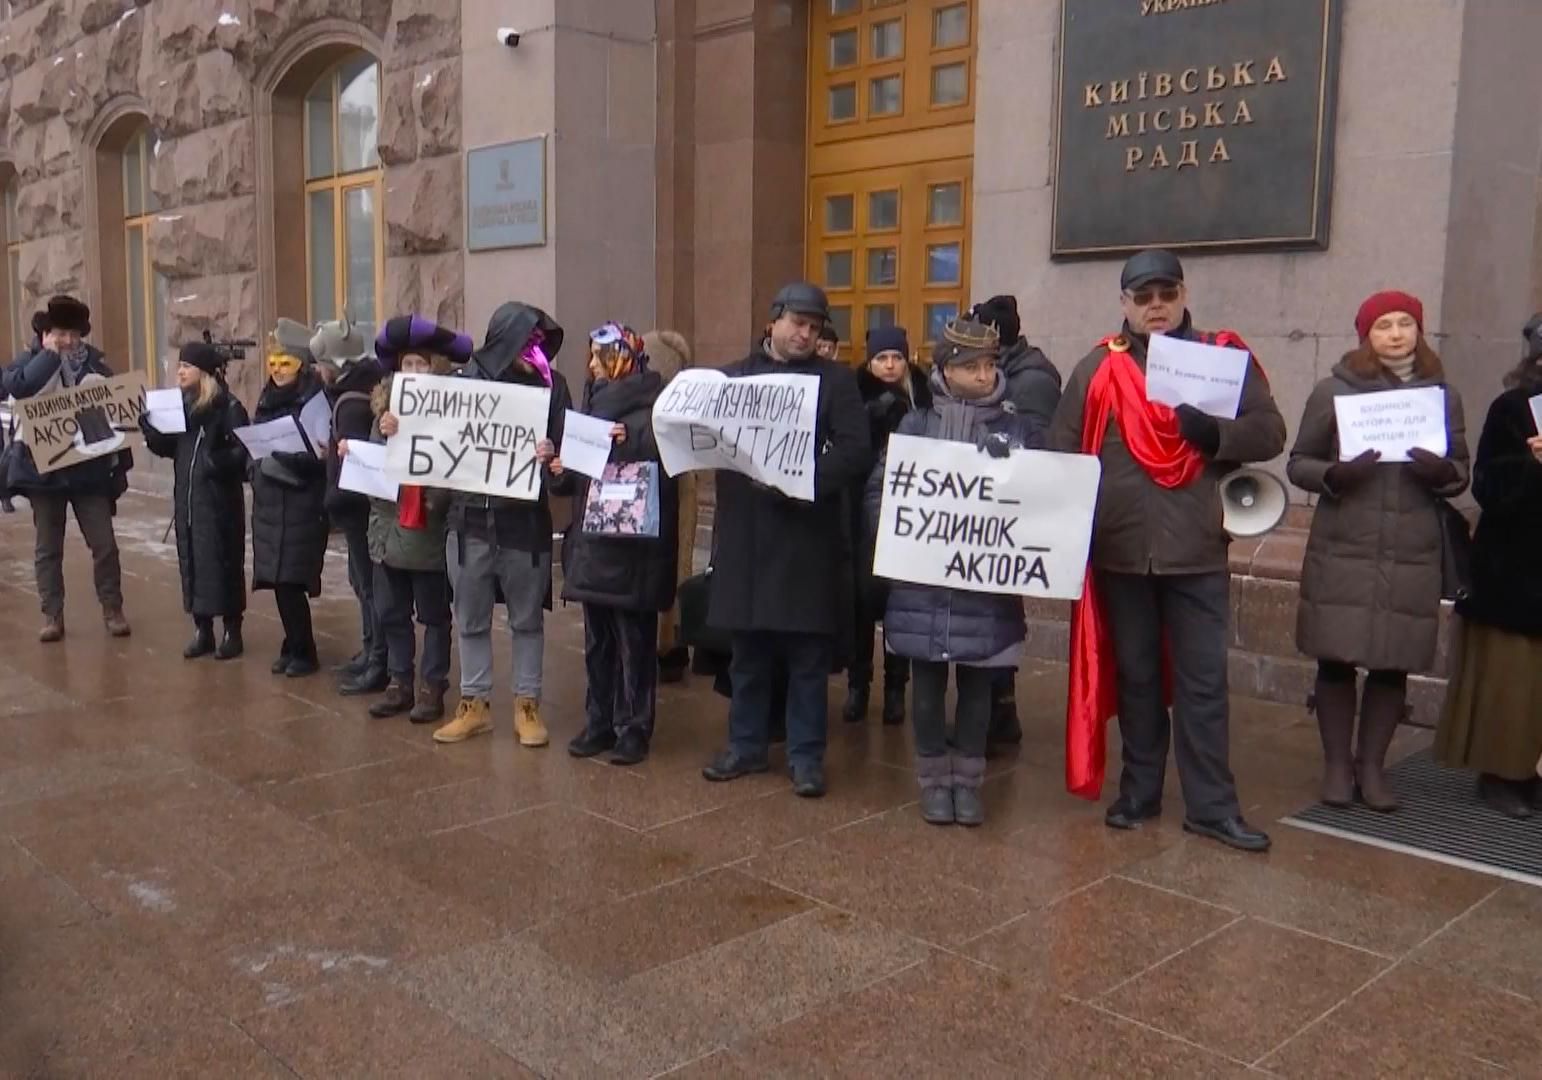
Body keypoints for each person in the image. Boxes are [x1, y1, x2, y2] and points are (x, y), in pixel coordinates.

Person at [1049, 249, 1285, 853]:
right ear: (1124, 303)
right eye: (1143, 296)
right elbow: (1063, 449)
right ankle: (1140, 791)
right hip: (1122, 550)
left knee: (1204, 683)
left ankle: (1212, 806)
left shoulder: (1224, 357)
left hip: (1197, 548)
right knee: (1137, 678)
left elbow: (1270, 431)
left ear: (1182, 295)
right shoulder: (1097, 368)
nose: (1156, 306)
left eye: (1166, 294)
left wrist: (1217, 435)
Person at [1289, 291, 1469, 812]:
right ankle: (1337, 766)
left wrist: (1442, 473)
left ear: (1419, 331)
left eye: (1405, 323)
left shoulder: (1442, 395)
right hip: (1346, 545)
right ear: (1365, 334)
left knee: (1394, 662)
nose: (1395, 333)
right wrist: (1335, 475)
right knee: (1337, 658)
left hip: (1412, 549)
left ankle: (1372, 767)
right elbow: (1300, 461)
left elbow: (1460, 468)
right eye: (1384, 325)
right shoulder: (1334, 392)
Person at [701, 282, 872, 798]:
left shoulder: (836, 382)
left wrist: (802, 481)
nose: (805, 333)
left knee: (806, 659)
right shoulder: (733, 378)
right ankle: (747, 746)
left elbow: (855, 450)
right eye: (798, 322)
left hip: (806, 540)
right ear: (773, 321)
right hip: (748, 537)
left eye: (815, 327)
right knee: (748, 653)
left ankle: (805, 756)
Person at [870, 317, 1041, 827]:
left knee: (978, 687)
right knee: (925, 685)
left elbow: (1034, 497)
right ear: (947, 369)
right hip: (922, 585)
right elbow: (882, 487)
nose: (985, 375)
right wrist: (891, 533)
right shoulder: (915, 425)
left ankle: (968, 781)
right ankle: (931, 780)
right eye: (973, 366)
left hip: (983, 586)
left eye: (990, 365)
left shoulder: (1012, 427)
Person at [387, 302, 571, 748]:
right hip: (468, 522)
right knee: (469, 618)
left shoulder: (552, 387)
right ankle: (475, 703)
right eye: (527, 340)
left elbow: (566, 462)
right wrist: (393, 427)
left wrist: (554, 458)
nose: (535, 351)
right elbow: (420, 438)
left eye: (539, 343)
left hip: (524, 525)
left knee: (526, 620)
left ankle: (527, 704)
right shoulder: (460, 384)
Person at [551, 323, 679, 765]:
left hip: (632, 552)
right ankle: (599, 720)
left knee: (634, 643)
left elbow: (668, 471)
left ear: (624, 359)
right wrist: (557, 465)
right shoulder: (591, 408)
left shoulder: (655, 411)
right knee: (597, 641)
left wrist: (631, 445)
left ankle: (634, 727)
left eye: (600, 357)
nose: (591, 366)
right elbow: (573, 480)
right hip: (593, 546)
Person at [1435, 314, 1542, 818]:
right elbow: (1487, 487)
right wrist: (1530, 464)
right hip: (1516, 570)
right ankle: (1500, 774)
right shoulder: (1512, 409)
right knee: (1510, 680)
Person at [350, 316, 472, 724]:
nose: (415, 372)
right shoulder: (382, 413)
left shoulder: (449, 416)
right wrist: (380, 439)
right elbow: (373, 471)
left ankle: (431, 686)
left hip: (428, 533)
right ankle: (400, 682)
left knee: (434, 616)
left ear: (436, 368)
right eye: (408, 364)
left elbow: (456, 470)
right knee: (391, 613)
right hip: (387, 534)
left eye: (422, 364)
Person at [1, 296, 132, 641]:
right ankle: (52, 615)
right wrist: (48, 356)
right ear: (46, 333)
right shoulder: (28, 363)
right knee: (48, 548)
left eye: (74, 334)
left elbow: (118, 416)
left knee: (104, 544)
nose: (69, 341)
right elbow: (17, 387)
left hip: (89, 471)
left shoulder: (97, 368)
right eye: (61, 333)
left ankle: (112, 607)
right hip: (44, 474)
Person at [971, 294, 1063, 752]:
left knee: (998, 617)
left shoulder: (1032, 380)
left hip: (1008, 513)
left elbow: (1037, 445)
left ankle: (1000, 714)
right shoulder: (1019, 369)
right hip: (986, 510)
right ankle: (992, 712)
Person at [139, 341, 250, 660]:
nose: (180, 371)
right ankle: (203, 630)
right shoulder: (180, 407)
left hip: (219, 503)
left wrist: (217, 463)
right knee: (192, 562)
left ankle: (232, 630)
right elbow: (170, 447)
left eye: (186, 366)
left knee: (223, 562)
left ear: (203, 373)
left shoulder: (228, 407)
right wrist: (150, 430)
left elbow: (243, 452)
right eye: (179, 366)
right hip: (187, 499)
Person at [844, 324, 930, 726]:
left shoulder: (923, 394)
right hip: (864, 512)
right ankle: (858, 685)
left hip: (912, 511)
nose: (890, 365)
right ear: (870, 360)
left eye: (896, 357)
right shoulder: (854, 394)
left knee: (902, 601)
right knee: (862, 602)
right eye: (882, 358)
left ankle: (897, 687)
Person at [313, 317, 389, 696]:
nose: (318, 370)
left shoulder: (351, 402)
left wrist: (335, 493)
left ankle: (378, 657)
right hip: (359, 509)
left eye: (322, 362)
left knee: (368, 583)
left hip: (358, 510)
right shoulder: (358, 391)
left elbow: (360, 464)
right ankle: (371, 650)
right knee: (363, 583)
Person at [250, 319, 330, 678]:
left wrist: (284, 456)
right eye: (273, 362)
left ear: (302, 364)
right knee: (278, 580)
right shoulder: (267, 397)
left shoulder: (315, 400)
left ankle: (305, 649)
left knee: (291, 581)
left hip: (301, 504)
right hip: (270, 504)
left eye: (287, 363)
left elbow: (321, 456)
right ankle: (292, 643)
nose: (278, 370)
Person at [647, 329, 697, 684]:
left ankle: (668, 642)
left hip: (674, 494)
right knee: (675, 567)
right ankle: (670, 642)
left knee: (671, 568)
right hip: (675, 492)